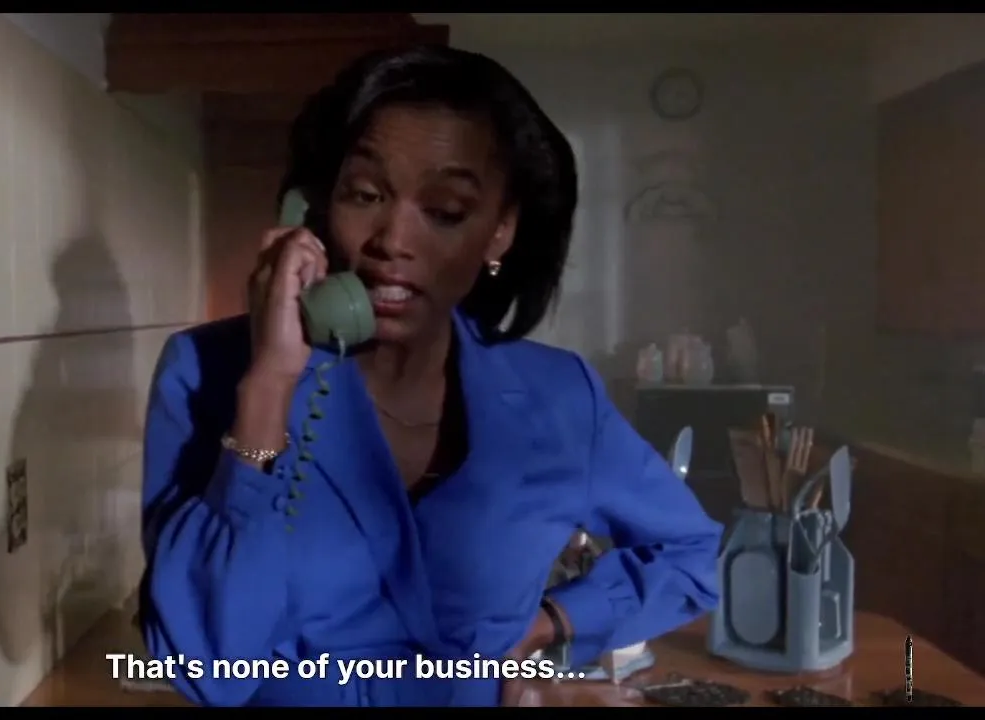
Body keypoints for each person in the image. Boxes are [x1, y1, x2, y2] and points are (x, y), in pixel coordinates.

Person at [139, 44, 722, 707]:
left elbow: (691, 553)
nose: (393, 239)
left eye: (444, 210)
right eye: (365, 195)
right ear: (316, 210)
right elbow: (209, 667)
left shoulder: (560, 397)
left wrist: (549, 626)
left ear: (499, 232)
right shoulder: (207, 373)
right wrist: (270, 386)